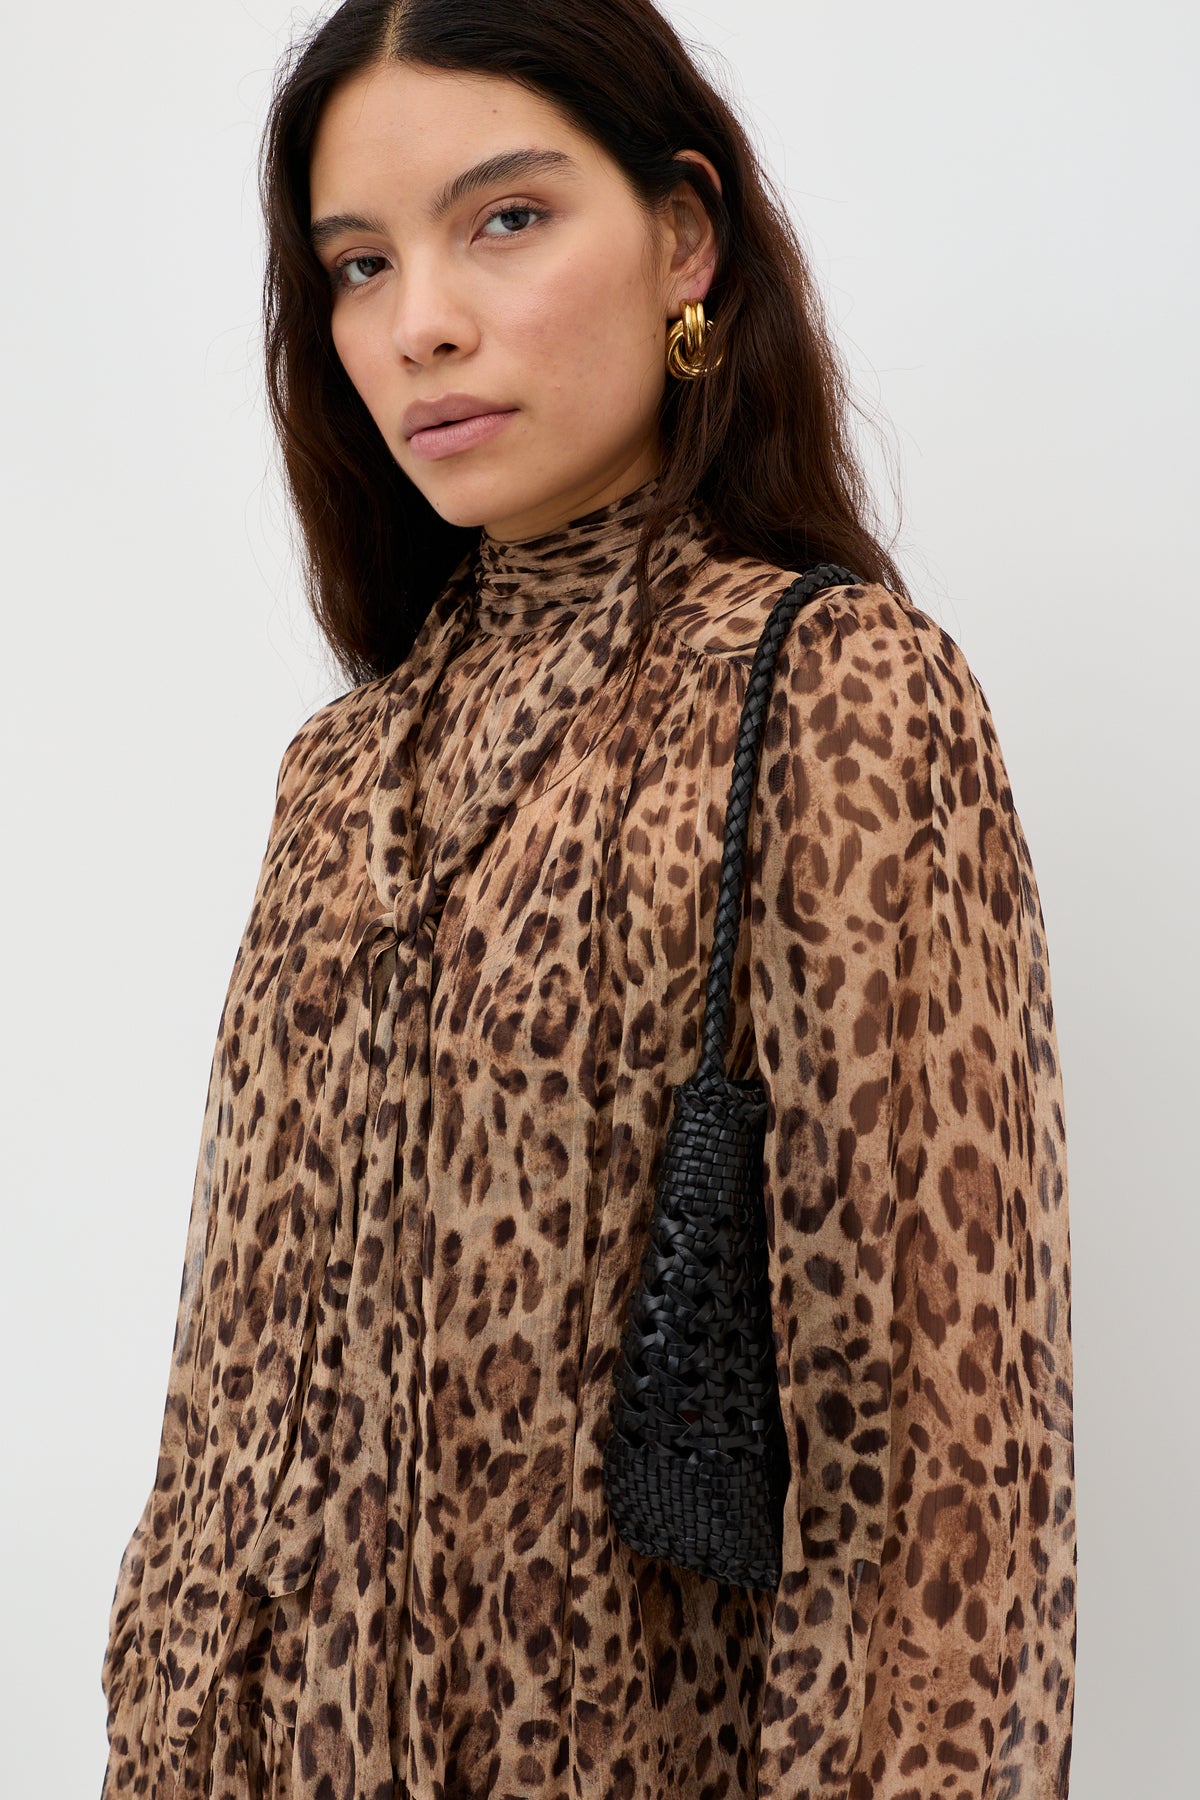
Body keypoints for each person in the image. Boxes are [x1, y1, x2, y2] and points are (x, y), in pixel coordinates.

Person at [98, 1, 1077, 1795]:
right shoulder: (339, 778)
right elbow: (221, 1415)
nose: (420, 322)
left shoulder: (835, 695)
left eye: (506, 218)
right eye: (359, 264)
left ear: (683, 240)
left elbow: (936, 1490)